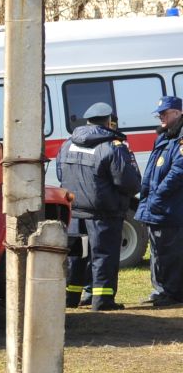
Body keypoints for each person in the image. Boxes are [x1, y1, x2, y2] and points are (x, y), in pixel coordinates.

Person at [54, 100, 143, 311]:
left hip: (74, 212)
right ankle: (102, 301)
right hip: (104, 214)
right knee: (103, 255)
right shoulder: (112, 146)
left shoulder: (68, 144)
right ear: (109, 122)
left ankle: (71, 297)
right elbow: (129, 182)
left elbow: (60, 173)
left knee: (76, 255)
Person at [134, 93, 182, 308]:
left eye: (165, 113)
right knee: (157, 251)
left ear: (178, 112)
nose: (161, 117)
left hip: (170, 207)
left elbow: (177, 171)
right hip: (158, 206)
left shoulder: (179, 138)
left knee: (169, 253)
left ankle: (170, 292)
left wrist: (159, 195)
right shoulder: (165, 136)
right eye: (159, 114)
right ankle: (160, 289)